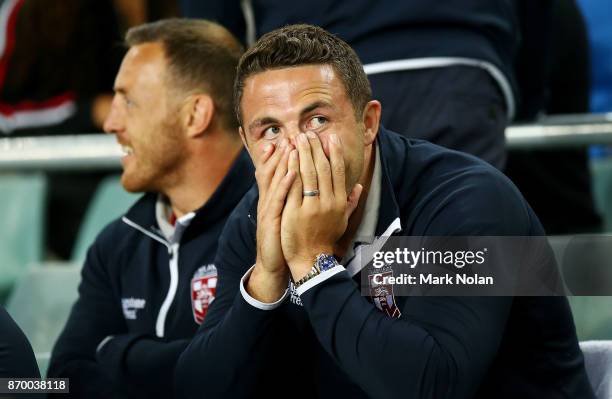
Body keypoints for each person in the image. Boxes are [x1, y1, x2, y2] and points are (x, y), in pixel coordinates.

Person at [175, 25, 594, 398]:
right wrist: (266, 280)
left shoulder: (468, 201)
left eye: (317, 120)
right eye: (270, 130)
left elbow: (433, 385)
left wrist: (311, 263)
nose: (297, 151)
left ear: (367, 123)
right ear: (247, 147)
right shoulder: (255, 217)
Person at [47, 19, 251, 398]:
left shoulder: (275, 222)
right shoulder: (117, 243)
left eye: (129, 101)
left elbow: (251, 373)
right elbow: (63, 380)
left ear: (195, 115)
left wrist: (117, 353)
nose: (110, 123)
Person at [178, 0, 550, 170]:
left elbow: (211, 24)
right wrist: (525, 100)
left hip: (306, 80)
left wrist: (242, 110)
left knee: (321, 258)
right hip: (457, 68)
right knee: (451, 272)